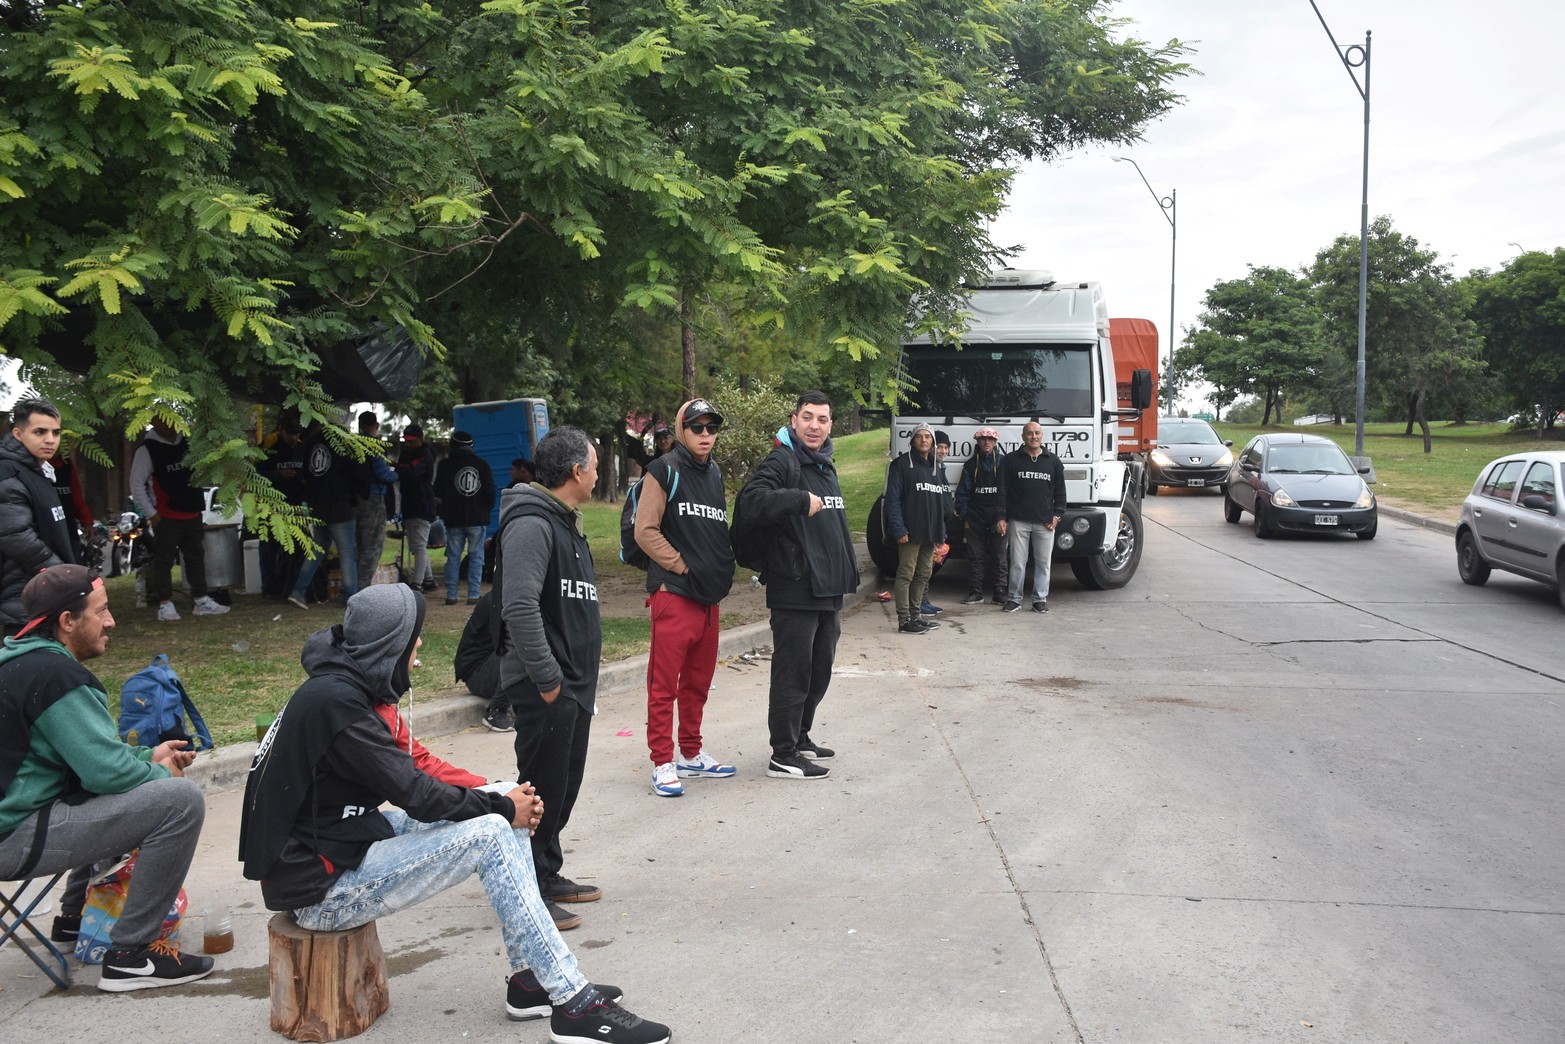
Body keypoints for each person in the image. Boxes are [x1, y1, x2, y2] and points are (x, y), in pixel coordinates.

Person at [237, 585, 670, 1044]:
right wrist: (504, 808)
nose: (420, 644)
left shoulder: (347, 686)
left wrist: (502, 792)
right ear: (391, 644)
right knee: (492, 829)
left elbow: (418, 764)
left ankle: (530, 982)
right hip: (321, 891)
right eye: (414, 636)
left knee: (501, 805)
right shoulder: (339, 706)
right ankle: (571, 1001)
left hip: (345, 843)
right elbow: (416, 794)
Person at [0, 564, 212, 991]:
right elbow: (106, 773)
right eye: (102, 611)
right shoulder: (55, 677)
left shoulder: (18, 664)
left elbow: (87, 757)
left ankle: (73, 918)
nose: (111, 621)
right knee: (179, 801)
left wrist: (146, 754)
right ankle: (131, 955)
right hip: (12, 839)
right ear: (67, 622)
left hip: (17, 822)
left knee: (119, 790)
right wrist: (159, 771)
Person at [494, 427, 606, 930]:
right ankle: (528, 887)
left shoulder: (566, 522)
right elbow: (518, 606)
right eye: (596, 465)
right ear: (576, 471)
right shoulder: (531, 524)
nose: (599, 473)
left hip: (573, 686)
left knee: (562, 787)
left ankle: (548, 871)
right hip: (548, 686)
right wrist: (548, 679)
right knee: (538, 791)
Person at [736, 390, 859, 780]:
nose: (814, 426)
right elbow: (751, 502)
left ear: (830, 425)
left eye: (822, 420)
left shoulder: (824, 464)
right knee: (793, 671)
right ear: (794, 420)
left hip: (827, 587)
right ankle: (783, 754)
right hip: (795, 586)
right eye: (808, 417)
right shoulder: (782, 460)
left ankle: (801, 736)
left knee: (819, 669)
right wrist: (796, 499)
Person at [633, 398, 737, 797]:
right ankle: (663, 761)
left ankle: (691, 754)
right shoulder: (663, 470)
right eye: (697, 428)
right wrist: (681, 566)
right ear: (682, 430)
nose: (706, 435)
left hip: (708, 598)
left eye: (712, 428)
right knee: (664, 685)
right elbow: (645, 530)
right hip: (673, 594)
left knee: (698, 681)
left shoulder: (714, 474)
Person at [129, 415, 230, 621]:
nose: (170, 425)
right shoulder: (147, 450)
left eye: (173, 419)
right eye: (165, 420)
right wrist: (153, 514)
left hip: (192, 511)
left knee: (196, 557)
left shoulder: (188, 444)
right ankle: (165, 605)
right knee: (163, 560)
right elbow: (137, 484)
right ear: (155, 422)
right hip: (166, 515)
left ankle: (201, 600)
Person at [0, 398, 78, 636]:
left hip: (45, 591)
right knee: (28, 666)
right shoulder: (8, 472)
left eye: (56, 432)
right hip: (24, 597)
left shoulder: (37, 470)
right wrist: (59, 573)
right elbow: (17, 537)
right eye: (40, 432)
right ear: (17, 434)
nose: (50, 440)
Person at [288, 423, 363, 609]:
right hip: (340, 505)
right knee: (346, 552)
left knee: (317, 549)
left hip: (317, 504)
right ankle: (349, 595)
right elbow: (357, 474)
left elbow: (304, 473)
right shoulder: (345, 443)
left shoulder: (312, 442)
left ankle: (298, 591)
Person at [997, 421, 1066, 613]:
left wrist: (1057, 515)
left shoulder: (1052, 461)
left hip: (1045, 523)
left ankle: (1039, 600)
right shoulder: (1011, 460)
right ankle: (1014, 599)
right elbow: (1002, 491)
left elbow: (1060, 492)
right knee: (1018, 563)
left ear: (1042, 436)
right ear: (1023, 437)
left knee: (1043, 563)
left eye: (1037, 433)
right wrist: (1002, 517)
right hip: (1018, 520)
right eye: (1029, 433)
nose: (1033, 437)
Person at [883, 423, 945, 635]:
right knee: (906, 574)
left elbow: (940, 501)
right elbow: (892, 500)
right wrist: (899, 528)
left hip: (931, 533)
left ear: (933, 442)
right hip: (910, 532)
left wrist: (941, 532)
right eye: (919, 436)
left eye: (928, 437)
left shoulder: (936, 466)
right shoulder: (901, 464)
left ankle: (916, 616)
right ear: (912, 440)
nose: (924, 440)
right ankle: (904, 620)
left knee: (923, 574)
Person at [434, 431, 496, 606]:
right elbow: (490, 491)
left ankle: (452, 595)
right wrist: (484, 508)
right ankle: (473, 595)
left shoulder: (445, 465)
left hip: (454, 519)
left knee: (453, 557)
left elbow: (437, 491)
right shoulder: (482, 464)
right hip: (477, 518)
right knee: (476, 557)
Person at [955, 427, 1007, 605]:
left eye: (990, 439)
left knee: (999, 555)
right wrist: (966, 515)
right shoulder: (970, 465)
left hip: (998, 519)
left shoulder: (1003, 463)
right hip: (975, 518)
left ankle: (999, 592)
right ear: (977, 441)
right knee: (975, 556)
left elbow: (1008, 492)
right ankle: (975, 592)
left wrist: (1004, 517)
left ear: (995, 442)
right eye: (983, 439)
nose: (986, 442)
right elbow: (962, 493)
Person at [259, 416, 309, 599]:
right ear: (282, 431)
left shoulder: (302, 449)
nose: (293, 439)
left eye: (297, 434)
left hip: (296, 507)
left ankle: (292, 587)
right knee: (268, 549)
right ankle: (269, 588)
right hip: (271, 506)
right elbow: (257, 474)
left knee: (300, 547)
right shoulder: (270, 447)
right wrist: (278, 474)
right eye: (290, 435)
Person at [454, 591, 512, 733]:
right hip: (476, 673)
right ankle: (496, 711)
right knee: (522, 648)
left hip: (489, 664)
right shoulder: (503, 599)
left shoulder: (509, 594)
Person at [354, 411, 398, 590]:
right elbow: (382, 474)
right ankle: (362, 587)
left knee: (358, 544)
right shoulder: (374, 445)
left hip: (354, 500)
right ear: (376, 426)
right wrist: (396, 473)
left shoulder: (351, 444)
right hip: (373, 500)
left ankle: (351, 585)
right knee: (372, 546)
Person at [394, 425, 437, 592]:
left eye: (411, 441)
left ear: (420, 439)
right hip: (410, 504)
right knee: (416, 545)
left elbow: (412, 471)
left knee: (419, 545)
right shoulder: (407, 454)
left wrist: (394, 466)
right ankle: (428, 579)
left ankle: (418, 583)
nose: (408, 444)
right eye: (406, 441)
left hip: (421, 504)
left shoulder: (424, 455)